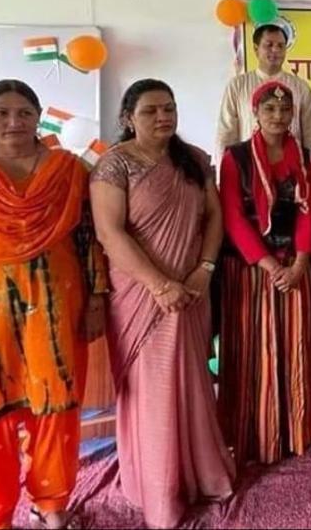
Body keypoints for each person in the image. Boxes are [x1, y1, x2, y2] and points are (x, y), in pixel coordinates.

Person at [0, 80, 107, 530]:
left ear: (39, 117)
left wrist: (97, 297)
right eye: (1, 113)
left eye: (24, 113)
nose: (14, 122)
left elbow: (89, 236)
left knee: (56, 407)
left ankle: (51, 504)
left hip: (56, 307)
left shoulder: (67, 169)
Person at [91, 79, 233, 529]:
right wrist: (158, 284)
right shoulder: (114, 165)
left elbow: (214, 216)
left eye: (168, 108)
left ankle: (201, 475)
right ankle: (159, 490)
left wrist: (203, 270)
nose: (162, 117)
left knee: (192, 380)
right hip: (141, 295)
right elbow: (110, 233)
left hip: (191, 290)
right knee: (152, 392)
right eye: (151, 110)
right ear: (128, 118)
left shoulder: (193, 160)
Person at [218, 81, 311, 464]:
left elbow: (310, 212)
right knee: (254, 352)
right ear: (256, 114)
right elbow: (233, 217)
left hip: (295, 265)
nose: (278, 116)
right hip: (253, 269)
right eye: (270, 110)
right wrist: (269, 264)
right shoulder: (236, 157)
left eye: (284, 110)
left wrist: (300, 263)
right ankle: (256, 435)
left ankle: (297, 430)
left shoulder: (305, 157)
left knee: (296, 348)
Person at [216, 23, 311, 157]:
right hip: (250, 164)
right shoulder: (237, 86)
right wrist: (224, 167)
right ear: (256, 49)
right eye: (269, 45)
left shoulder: (301, 87)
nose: (275, 50)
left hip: (292, 164)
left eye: (280, 46)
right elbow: (226, 134)